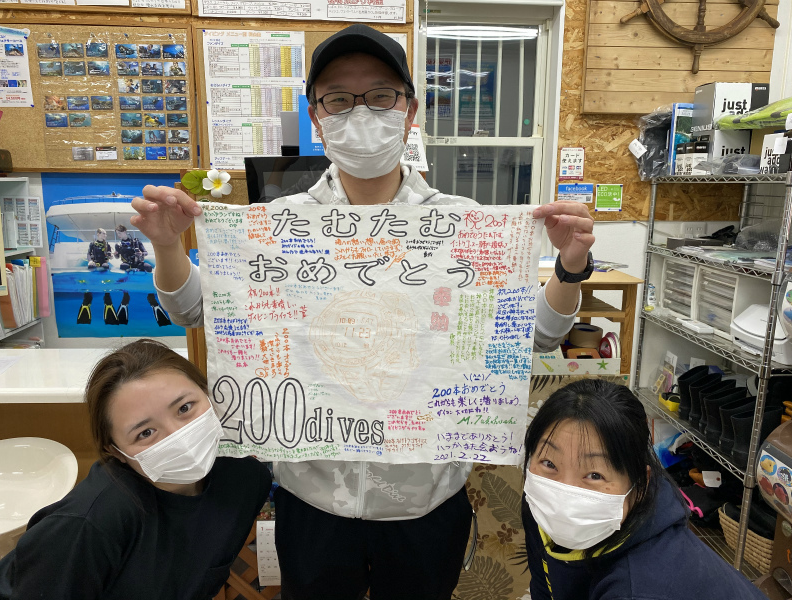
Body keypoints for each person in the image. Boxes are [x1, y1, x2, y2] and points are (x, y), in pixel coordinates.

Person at [131, 24, 595, 600]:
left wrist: (569, 267)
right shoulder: (280, 225)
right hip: (313, 501)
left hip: (426, 502)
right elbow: (194, 309)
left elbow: (539, 337)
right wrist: (168, 245)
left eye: (380, 96)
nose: (361, 113)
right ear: (316, 117)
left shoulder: (462, 224)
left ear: (410, 111)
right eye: (338, 99)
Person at [0, 339, 272, 600]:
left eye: (185, 408)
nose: (178, 436)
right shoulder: (90, 524)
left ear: (208, 393)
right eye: (146, 433)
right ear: (116, 452)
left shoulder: (246, 482)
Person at [522, 379, 767, 600]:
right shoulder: (542, 504)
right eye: (549, 463)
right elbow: (543, 587)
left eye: (595, 475)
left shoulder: (639, 586)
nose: (563, 493)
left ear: (639, 485)